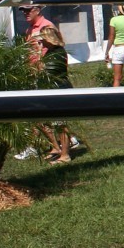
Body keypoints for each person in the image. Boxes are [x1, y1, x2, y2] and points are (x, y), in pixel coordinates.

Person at [38, 26, 75, 164]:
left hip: (59, 90)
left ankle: (65, 155)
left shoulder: (58, 53)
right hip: (53, 89)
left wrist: (39, 53)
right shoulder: (51, 52)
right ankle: (57, 148)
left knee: (60, 124)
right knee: (45, 121)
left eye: (42, 38)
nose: (40, 41)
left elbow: (45, 71)